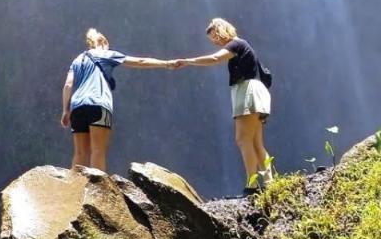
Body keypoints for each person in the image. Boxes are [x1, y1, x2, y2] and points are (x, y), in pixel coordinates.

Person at [60, 28, 177, 171]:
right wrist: (166, 64)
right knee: (98, 150)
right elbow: (139, 61)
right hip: (99, 104)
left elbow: (68, 85)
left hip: (77, 107)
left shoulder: (77, 60)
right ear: (104, 42)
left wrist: (65, 110)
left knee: (80, 153)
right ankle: (97, 191)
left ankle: (74, 189)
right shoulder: (107, 54)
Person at [176, 17, 272, 192]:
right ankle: (270, 183)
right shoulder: (243, 46)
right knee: (256, 142)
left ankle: (252, 185)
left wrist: (188, 61)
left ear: (222, 30)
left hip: (247, 92)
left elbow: (214, 59)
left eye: (215, 36)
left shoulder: (236, 44)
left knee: (243, 139)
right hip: (257, 92)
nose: (214, 41)